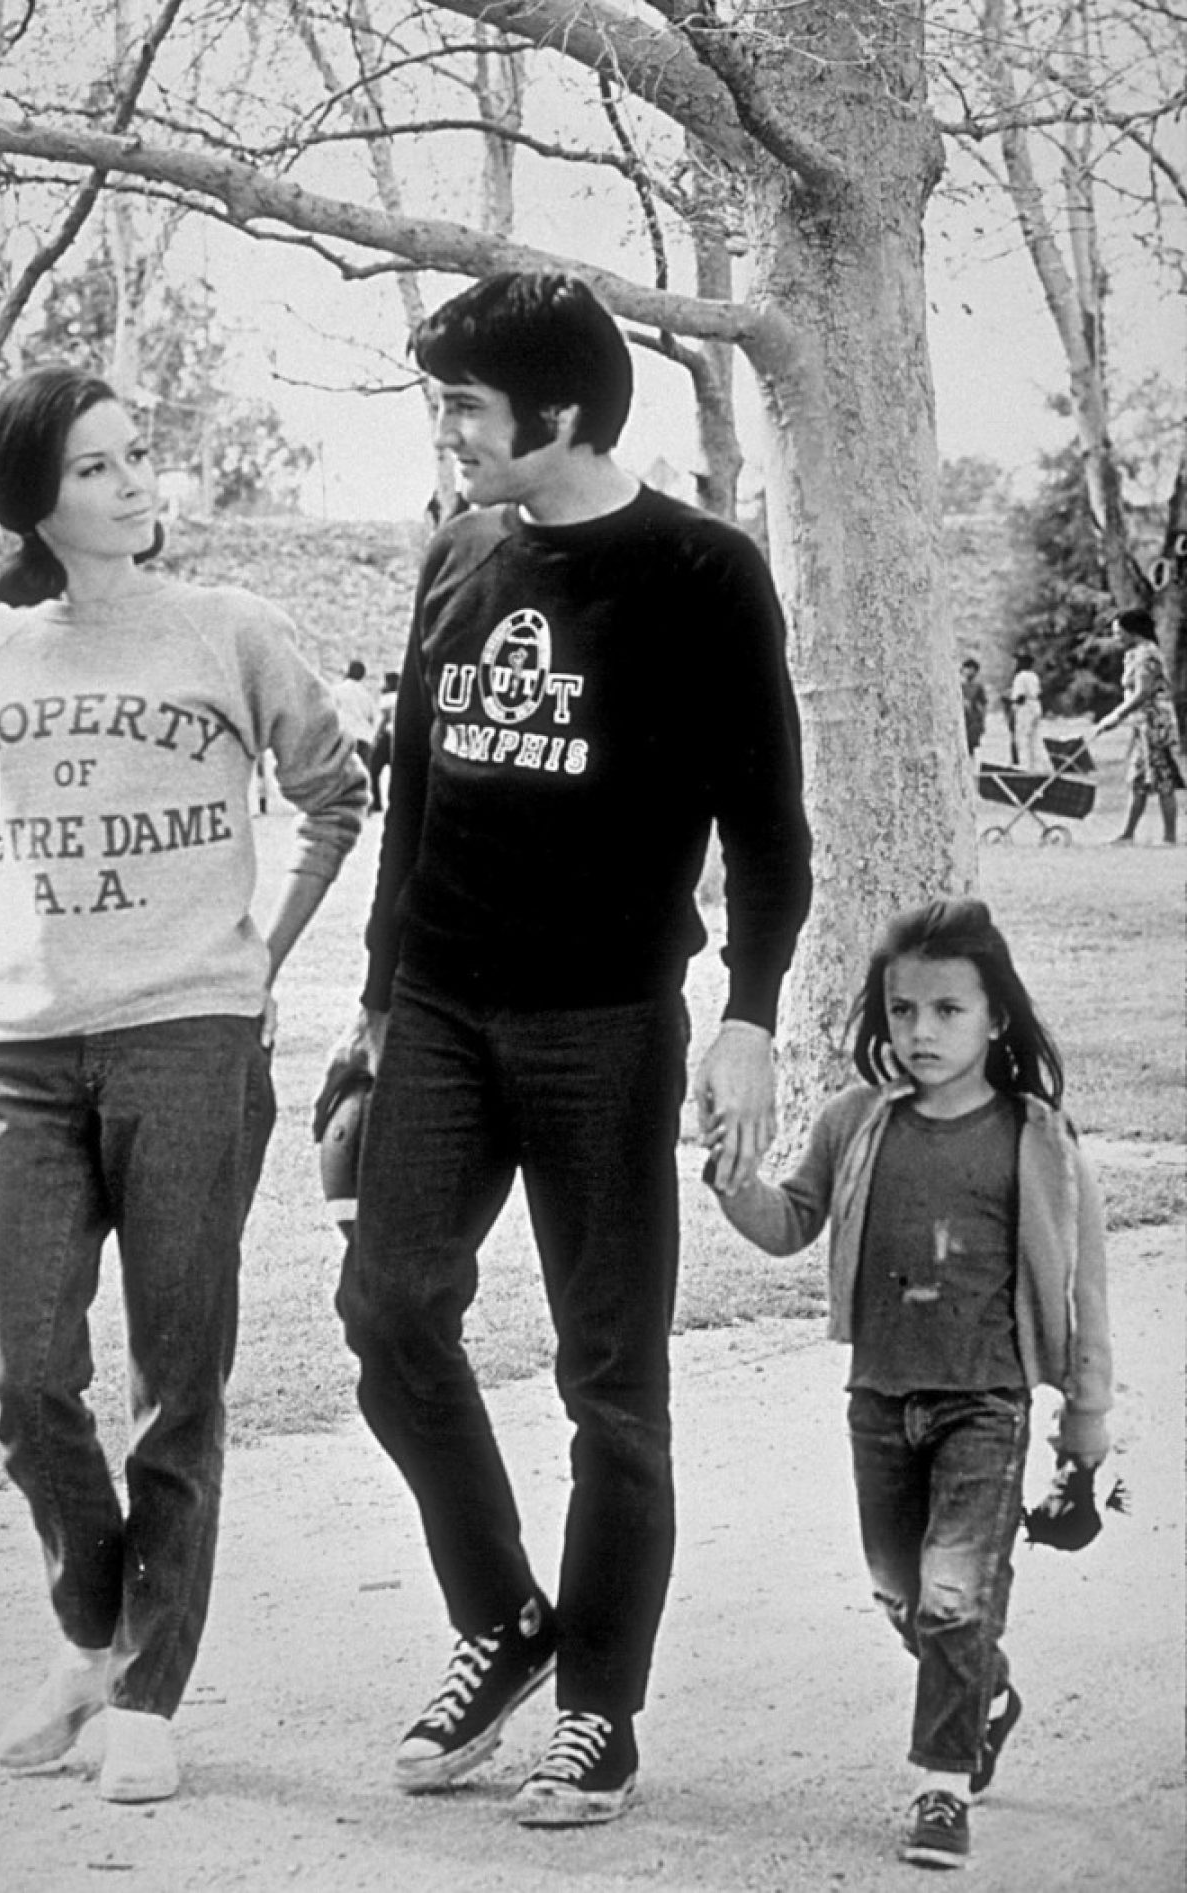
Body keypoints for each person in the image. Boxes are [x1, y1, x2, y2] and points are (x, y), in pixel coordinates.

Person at [322, 271, 813, 1827]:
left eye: (467, 405)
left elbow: (769, 825)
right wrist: (373, 1009)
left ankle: (599, 1706)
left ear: (561, 411)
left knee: (611, 1382)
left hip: (606, 1025)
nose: (449, 432)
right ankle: (503, 1618)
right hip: (446, 1017)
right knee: (388, 1308)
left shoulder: (699, 570)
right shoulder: (457, 550)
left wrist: (749, 1016)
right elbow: (414, 806)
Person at [0, 365, 367, 1804]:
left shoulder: (234, 631)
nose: (134, 486)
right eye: (96, 469)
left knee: (175, 1380)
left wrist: (257, 956)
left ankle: (148, 1691)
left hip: (191, 1038)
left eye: (138, 458)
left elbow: (335, 793)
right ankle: (88, 1630)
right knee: (23, 1369)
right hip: (26, 1047)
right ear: (33, 503)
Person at [708, 896, 1112, 1871]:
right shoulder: (856, 1122)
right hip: (879, 1396)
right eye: (902, 1012)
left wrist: (1086, 1419)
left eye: (947, 1010)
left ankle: (942, 1784)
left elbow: (1084, 1284)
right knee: (900, 1592)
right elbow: (790, 1220)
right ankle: (988, 1691)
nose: (921, 1031)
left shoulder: (1037, 1138)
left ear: (995, 1018)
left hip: (988, 1401)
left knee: (952, 1594)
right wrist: (732, 1179)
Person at [1094, 606, 1182, 845]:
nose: (1116, 637)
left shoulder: (1147, 654)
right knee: (1139, 779)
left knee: (1162, 777)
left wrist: (1115, 717)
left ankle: (1170, 836)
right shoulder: (1134, 654)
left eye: (1118, 632)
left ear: (1133, 631)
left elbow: (1143, 693)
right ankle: (1128, 833)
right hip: (1142, 723)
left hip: (1155, 723)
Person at [332, 658, 378, 773]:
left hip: (345, 739)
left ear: (348, 671)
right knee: (362, 778)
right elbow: (372, 718)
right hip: (364, 739)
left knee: (344, 778)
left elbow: (331, 713)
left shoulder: (337, 690)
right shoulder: (366, 694)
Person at [367, 668, 399, 812]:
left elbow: (384, 720)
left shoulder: (386, 698)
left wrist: (376, 735)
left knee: (374, 769)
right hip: (399, 738)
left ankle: (376, 802)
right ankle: (395, 803)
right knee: (396, 773)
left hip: (387, 737)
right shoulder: (402, 697)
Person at [1008, 652, 1044, 771]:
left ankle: (1024, 766)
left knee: (1022, 737)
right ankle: (1036, 767)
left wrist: (1012, 704)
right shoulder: (1034, 676)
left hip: (1025, 707)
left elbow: (1019, 696)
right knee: (1034, 737)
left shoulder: (1021, 676)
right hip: (1036, 705)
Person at [959, 658, 987, 758]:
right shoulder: (960, 685)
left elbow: (983, 704)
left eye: (971, 669)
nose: (968, 671)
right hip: (962, 719)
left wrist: (982, 722)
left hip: (973, 720)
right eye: (967, 668)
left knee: (972, 746)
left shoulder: (978, 686)